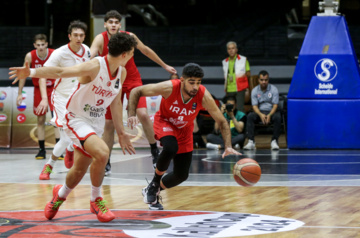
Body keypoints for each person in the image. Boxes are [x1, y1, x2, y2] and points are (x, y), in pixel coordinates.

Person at [10, 32, 137, 223]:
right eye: (133, 53)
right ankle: (96, 199)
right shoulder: (95, 66)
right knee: (102, 153)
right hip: (76, 118)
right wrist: (32, 73)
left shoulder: (122, 72)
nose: (133, 56)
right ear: (125, 54)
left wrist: (122, 132)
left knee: (78, 170)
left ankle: (59, 195)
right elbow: (60, 72)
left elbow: (116, 103)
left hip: (96, 122)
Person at [127, 63, 241, 210]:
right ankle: (155, 182)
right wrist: (131, 114)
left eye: (198, 83)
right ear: (182, 80)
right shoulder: (169, 87)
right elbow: (136, 91)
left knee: (181, 175)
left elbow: (222, 121)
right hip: (165, 122)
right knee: (170, 147)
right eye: (191, 82)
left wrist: (228, 146)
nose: (195, 87)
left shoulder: (203, 96)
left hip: (185, 129)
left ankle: (151, 190)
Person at [90, 10, 177, 174]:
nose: (114, 24)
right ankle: (106, 160)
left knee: (143, 114)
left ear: (120, 25)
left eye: (116, 22)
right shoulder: (101, 38)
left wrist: (164, 65)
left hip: (132, 80)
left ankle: (154, 152)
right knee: (109, 124)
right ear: (106, 24)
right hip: (112, 81)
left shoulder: (129, 36)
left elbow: (145, 50)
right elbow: (92, 54)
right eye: (111, 22)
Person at [37, 20, 91, 180]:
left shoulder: (87, 50)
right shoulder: (60, 53)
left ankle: (70, 148)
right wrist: (44, 99)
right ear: (69, 36)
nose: (78, 38)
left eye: (81, 35)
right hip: (61, 98)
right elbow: (42, 74)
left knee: (80, 134)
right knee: (67, 136)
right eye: (75, 35)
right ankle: (49, 166)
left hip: (79, 98)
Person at [16, 34, 60, 159]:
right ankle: (41, 150)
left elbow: (62, 70)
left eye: (43, 44)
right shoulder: (30, 56)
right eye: (38, 45)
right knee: (40, 120)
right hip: (38, 91)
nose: (41, 47)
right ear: (35, 45)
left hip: (53, 88)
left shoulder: (54, 53)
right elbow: (23, 75)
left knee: (56, 119)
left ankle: (58, 150)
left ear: (46, 44)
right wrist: (20, 93)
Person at [243, 70, 281, 150]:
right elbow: (254, 106)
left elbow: (275, 105)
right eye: (262, 80)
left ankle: (274, 141)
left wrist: (269, 115)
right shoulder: (254, 90)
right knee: (250, 116)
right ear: (258, 80)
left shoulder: (274, 89)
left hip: (271, 111)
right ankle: (251, 141)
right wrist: (260, 114)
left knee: (278, 117)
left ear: (268, 80)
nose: (264, 82)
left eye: (266, 80)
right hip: (259, 111)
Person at [222, 41, 251, 112]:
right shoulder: (225, 62)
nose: (231, 50)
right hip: (229, 88)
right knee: (229, 109)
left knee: (240, 109)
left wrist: (244, 82)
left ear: (236, 49)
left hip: (240, 88)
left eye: (233, 48)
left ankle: (241, 123)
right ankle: (231, 123)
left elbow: (248, 74)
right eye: (229, 49)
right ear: (227, 50)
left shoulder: (243, 59)